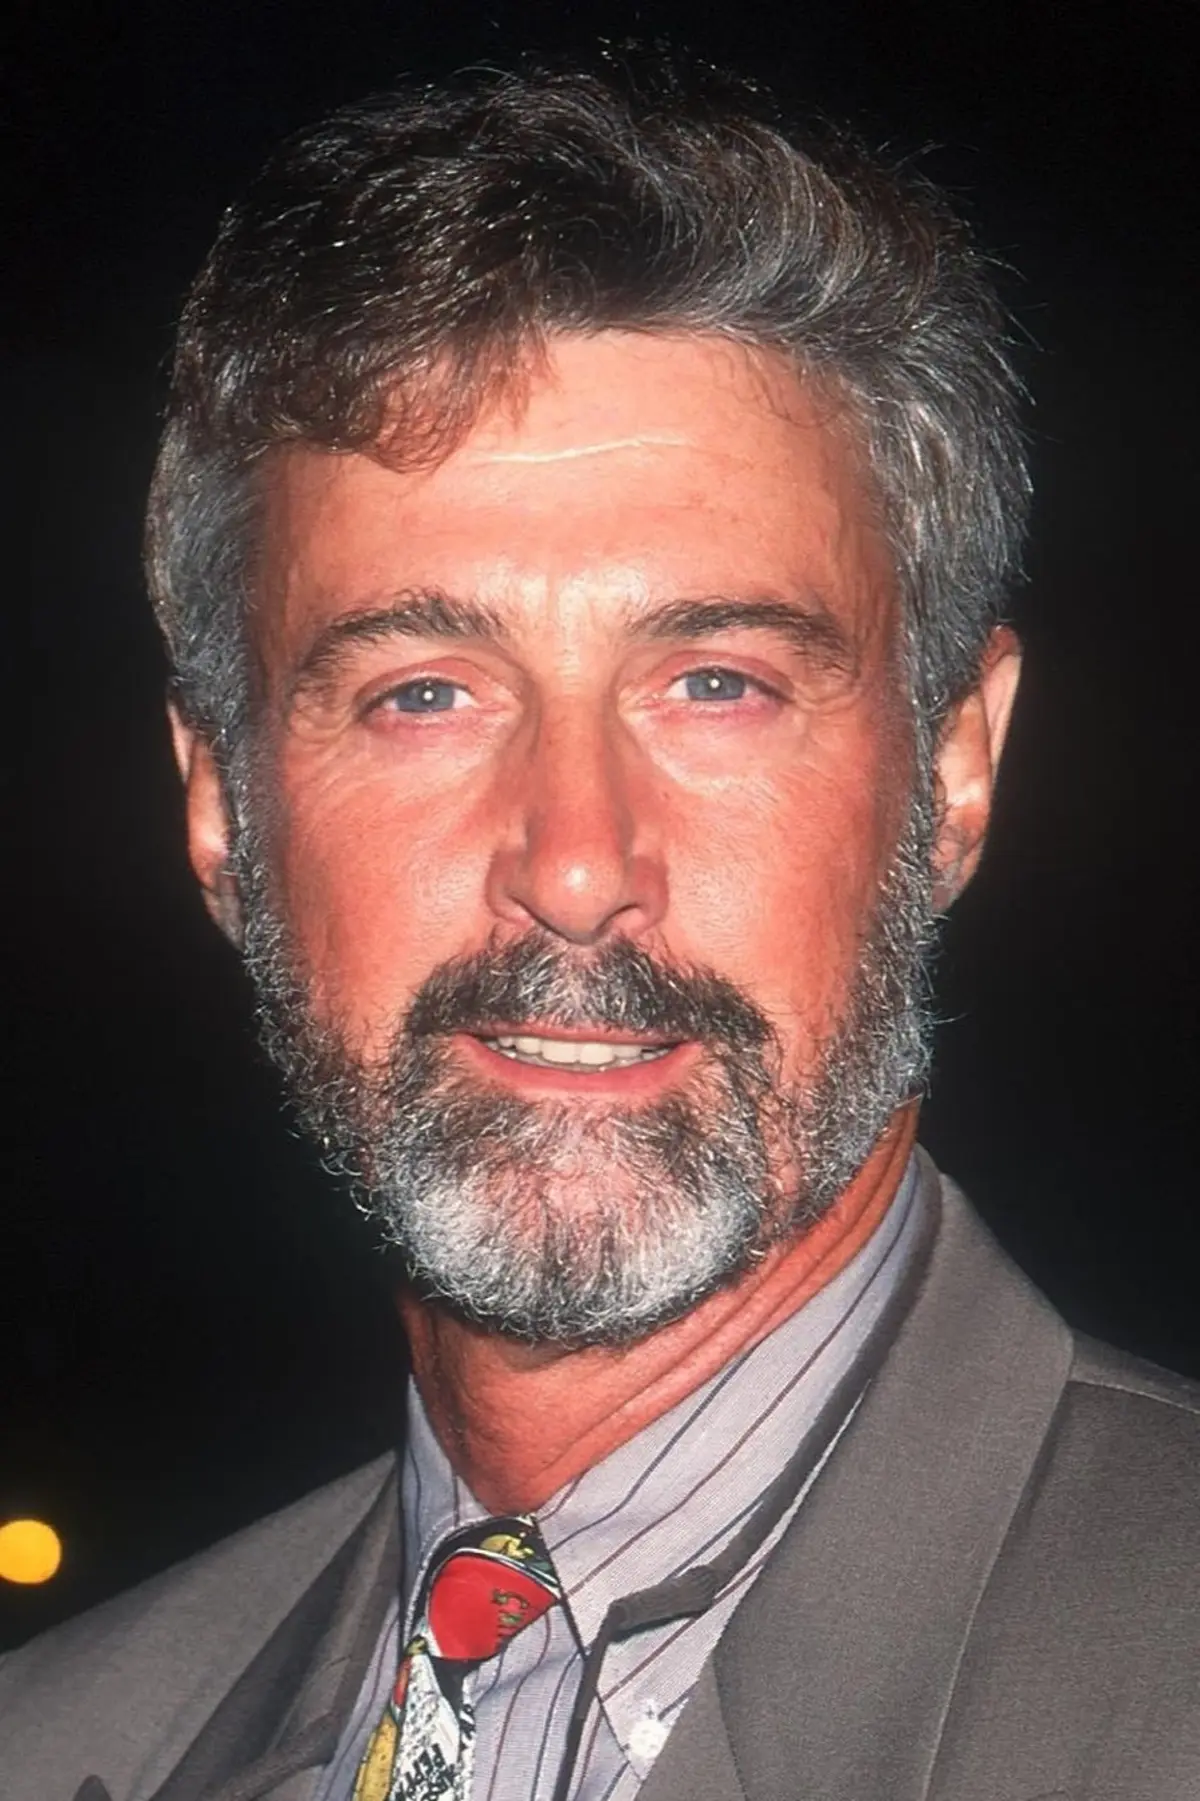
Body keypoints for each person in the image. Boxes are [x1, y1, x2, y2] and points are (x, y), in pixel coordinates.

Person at [3, 57, 1198, 1801]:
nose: (574, 865)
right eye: (424, 693)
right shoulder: (54, 1744)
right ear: (221, 809)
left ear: (953, 769)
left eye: (717, 682)